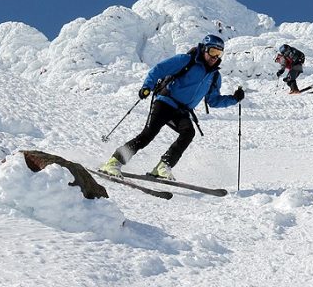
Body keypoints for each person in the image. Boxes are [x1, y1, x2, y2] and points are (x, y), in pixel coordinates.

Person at [99, 34, 244, 180]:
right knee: (148, 135)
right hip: (165, 102)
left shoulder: (214, 76)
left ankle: (163, 166)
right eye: (213, 51)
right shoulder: (186, 60)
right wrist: (147, 87)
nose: (215, 57)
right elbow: (159, 69)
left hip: (181, 111)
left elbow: (213, 101)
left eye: (219, 53)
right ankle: (114, 162)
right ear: (204, 49)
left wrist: (234, 99)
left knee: (188, 133)